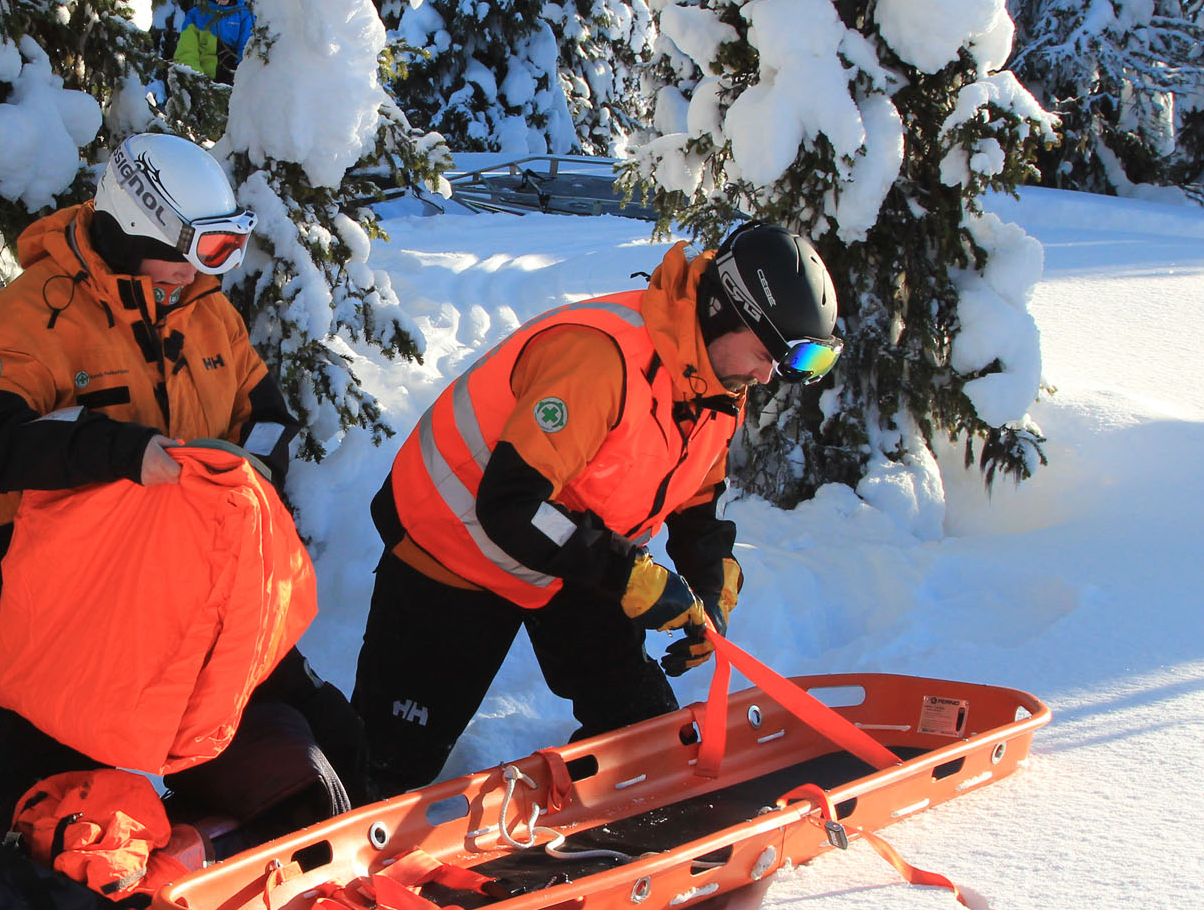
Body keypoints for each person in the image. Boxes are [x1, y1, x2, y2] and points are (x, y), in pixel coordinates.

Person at [0, 131, 366, 844]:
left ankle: (232, 845)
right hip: (64, 599)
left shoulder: (205, 310)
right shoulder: (33, 317)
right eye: (182, 257)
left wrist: (251, 461)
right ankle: (54, 903)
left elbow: (266, 415)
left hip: (194, 584)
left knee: (336, 746)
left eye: (212, 257)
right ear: (127, 229)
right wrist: (126, 452)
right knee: (55, 809)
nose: (192, 276)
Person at [347, 220, 843, 796]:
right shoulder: (601, 359)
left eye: (786, 368)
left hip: (567, 544)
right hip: (455, 548)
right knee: (388, 767)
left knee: (645, 735)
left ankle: (629, 843)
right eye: (765, 356)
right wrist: (627, 576)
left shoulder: (717, 385)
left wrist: (708, 591)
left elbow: (697, 503)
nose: (766, 378)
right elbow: (509, 504)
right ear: (723, 311)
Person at [170, 0, 255, 83]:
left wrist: (238, 81)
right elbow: (186, 53)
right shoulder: (196, 15)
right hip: (202, 88)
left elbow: (247, 52)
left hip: (233, 89)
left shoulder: (244, 16)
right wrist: (200, 84)